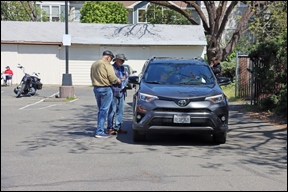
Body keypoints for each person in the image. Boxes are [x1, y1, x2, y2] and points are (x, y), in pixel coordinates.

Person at [90, 50, 124, 138]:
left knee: (101, 111)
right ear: (108, 57)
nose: (110, 60)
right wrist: (118, 80)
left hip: (96, 88)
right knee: (104, 111)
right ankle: (100, 132)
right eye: (111, 58)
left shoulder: (95, 64)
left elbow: (91, 75)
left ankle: (100, 130)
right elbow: (112, 77)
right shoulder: (107, 64)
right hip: (105, 88)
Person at [107, 54, 129, 135]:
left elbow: (126, 76)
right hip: (114, 91)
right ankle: (109, 128)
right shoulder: (111, 68)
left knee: (120, 111)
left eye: (123, 61)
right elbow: (110, 79)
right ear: (117, 60)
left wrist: (126, 79)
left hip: (122, 91)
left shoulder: (123, 68)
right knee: (112, 110)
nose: (123, 62)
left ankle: (117, 127)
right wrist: (119, 79)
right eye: (122, 60)